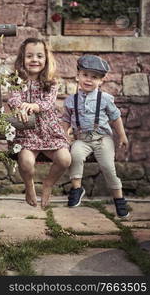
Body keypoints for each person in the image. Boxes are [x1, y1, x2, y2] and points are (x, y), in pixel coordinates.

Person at [62, 54, 129, 218]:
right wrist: (64, 134)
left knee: (107, 166)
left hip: (102, 139)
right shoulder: (71, 100)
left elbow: (115, 117)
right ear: (78, 76)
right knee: (75, 155)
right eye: (85, 75)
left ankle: (119, 199)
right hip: (82, 139)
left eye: (94, 77)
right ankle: (77, 188)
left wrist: (122, 136)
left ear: (101, 81)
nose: (89, 80)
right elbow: (65, 119)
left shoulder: (105, 99)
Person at [8, 38, 71, 208]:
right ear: (22, 59)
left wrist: (34, 106)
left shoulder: (51, 82)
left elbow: (49, 102)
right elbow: (13, 99)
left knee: (65, 159)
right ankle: (29, 185)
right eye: (29, 56)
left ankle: (48, 183)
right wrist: (20, 106)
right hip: (27, 131)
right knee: (26, 162)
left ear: (46, 59)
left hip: (49, 131)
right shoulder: (16, 80)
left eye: (39, 56)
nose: (34, 60)